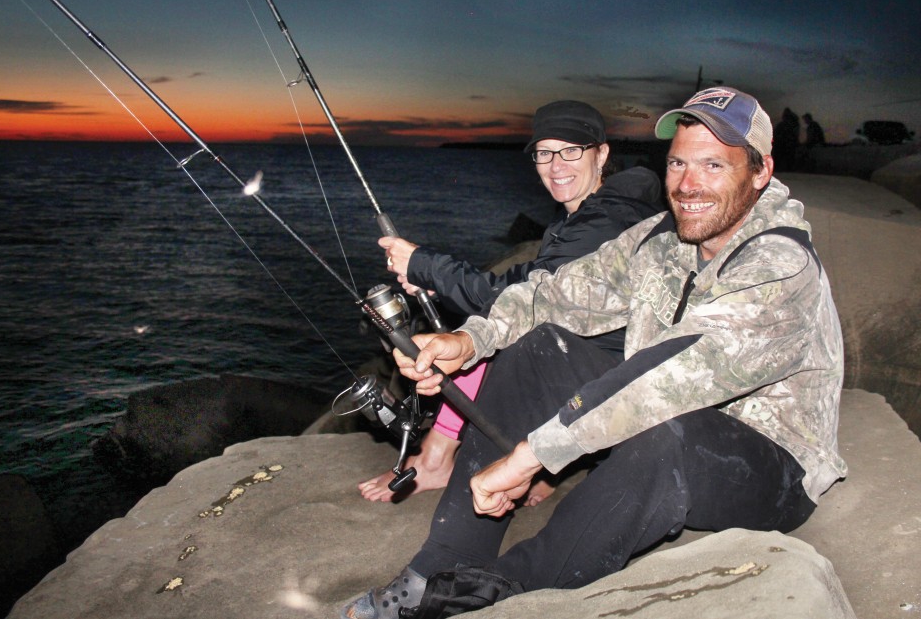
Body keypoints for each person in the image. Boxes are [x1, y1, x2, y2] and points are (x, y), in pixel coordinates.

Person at [343, 86, 847, 619]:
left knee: (663, 431)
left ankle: (497, 590)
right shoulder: (662, 238)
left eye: (713, 165)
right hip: (663, 421)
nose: (688, 184)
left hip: (770, 464)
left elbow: (674, 376)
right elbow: (557, 294)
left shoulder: (780, 263)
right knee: (541, 344)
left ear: (760, 170)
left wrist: (528, 457)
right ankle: (438, 568)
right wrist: (469, 341)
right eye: (678, 162)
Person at [358, 100, 663, 502]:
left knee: (495, 335)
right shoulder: (594, 210)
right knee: (491, 327)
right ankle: (531, 461)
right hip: (598, 356)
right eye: (544, 153)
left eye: (572, 150)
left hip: (619, 377)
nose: (557, 165)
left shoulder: (605, 220)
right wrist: (433, 281)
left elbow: (521, 298)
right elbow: (539, 287)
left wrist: (425, 265)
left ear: (602, 153)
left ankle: (438, 460)